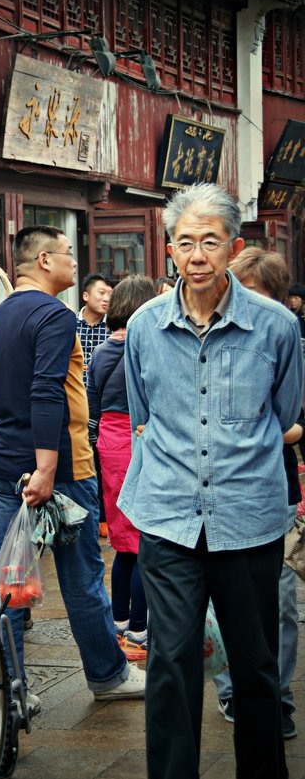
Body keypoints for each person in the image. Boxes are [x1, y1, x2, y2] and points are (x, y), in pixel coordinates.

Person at [117, 183, 302, 779]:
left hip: (249, 518)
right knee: (170, 661)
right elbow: (142, 413)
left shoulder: (276, 326)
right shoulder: (145, 325)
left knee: (255, 666)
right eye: (185, 242)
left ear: (234, 247)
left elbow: (286, 413)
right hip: (168, 517)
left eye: (211, 242)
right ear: (169, 249)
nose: (197, 256)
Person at [0, 224, 146, 709]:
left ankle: (7, 687)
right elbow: (46, 390)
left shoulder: (3, 310)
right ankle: (108, 674)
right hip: (58, 471)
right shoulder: (53, 314)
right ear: (45, 261)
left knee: (7, 580)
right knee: (81, 579)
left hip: (4, 460)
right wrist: (47, 469)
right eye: (68, 254)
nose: (75, 262)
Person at [213, 246, 303, 741]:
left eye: (254, 294)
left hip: (272, 489)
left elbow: (293, 422)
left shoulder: (285, 339)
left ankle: (276, 695)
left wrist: (262, 426)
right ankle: (232, 689)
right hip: (213, 492)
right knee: (224, 599)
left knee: (279, 600)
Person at [87, 275, 155, 659]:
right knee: (146, 542)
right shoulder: (144, 348)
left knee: (123, 544)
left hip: (109, 445)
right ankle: (141, 631)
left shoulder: (99, 352)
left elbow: (93, 410)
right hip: (139, 438)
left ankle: (118, 623)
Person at [76, 273, 113, 537]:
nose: (106, 299)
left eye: (110, 294)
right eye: (101, 293)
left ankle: (101, 516)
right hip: (74, 405)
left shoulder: (112, 328)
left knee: (101, 461)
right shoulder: (68, 324)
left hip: (101, 405)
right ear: (86, 296)